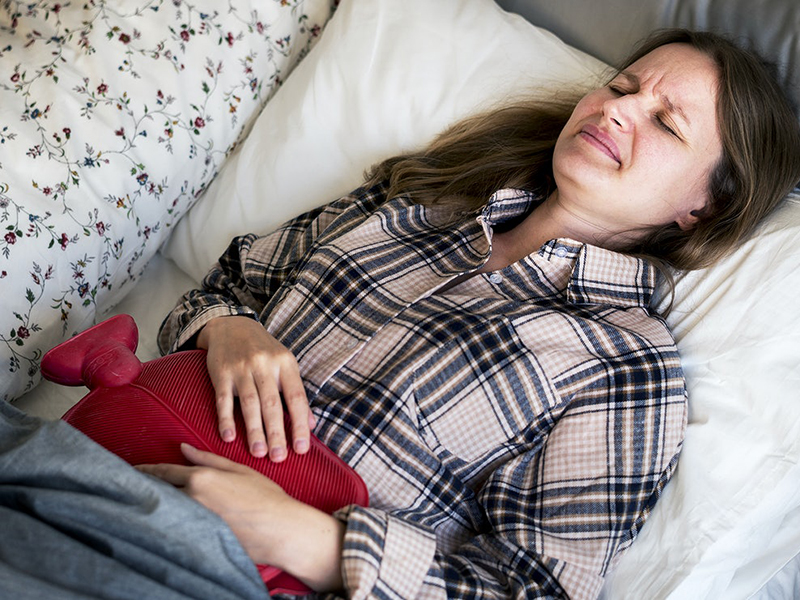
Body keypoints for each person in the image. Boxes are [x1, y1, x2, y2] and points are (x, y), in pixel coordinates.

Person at [135, 28, 797, 599]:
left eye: (665, 122)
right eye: (624, 87)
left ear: (702, 206)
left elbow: (536, 586)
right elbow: (229, 281)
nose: (620, 111)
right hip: (103, 466)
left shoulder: (625, 366)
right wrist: (229, 328)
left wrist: (315, 543)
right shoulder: (419, 199)